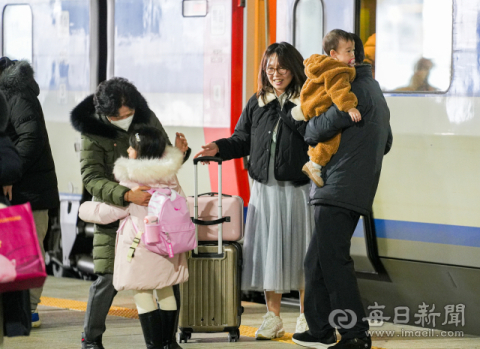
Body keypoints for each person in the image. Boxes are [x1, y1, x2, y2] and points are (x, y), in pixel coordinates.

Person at [194, 42, 314, 339]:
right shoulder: (258, 102)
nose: (276, 74)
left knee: (303, 251)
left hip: (297, 188)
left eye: (282, 67)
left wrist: (293, 110)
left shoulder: (307, 101)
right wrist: (219, 148)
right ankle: (273, 318)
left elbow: (316, 137)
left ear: (294, 68)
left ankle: (307, 315)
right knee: (268, 250)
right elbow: (242, 139)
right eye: (270, 68)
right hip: (264, 189)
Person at [70, 77, 190, 349]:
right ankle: (91, 338)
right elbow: (91, 177)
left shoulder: (146, 116)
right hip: (118, 209)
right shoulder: (92, 130)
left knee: (165, 277)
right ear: (104, 113)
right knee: (109, 277)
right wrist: (125, 195)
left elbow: (163, 155)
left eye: (128, 114)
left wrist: (179, 153)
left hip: (154, 218)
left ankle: (168, 341)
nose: (124, 119)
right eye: (116, 117)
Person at [292, 36, 393, 349]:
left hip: (338, 186)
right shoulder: (373, 89)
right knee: (316, 262)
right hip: (349, 185)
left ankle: (355, 334)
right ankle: (320, 329)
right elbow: (387, 142)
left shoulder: (354, 91)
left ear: (346, 58)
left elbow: (315, 129)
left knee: (333, 262)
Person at [0, 57, 59, 328]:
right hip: (17, 189)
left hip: (28, 190)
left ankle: (28, 310)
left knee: (27, 251)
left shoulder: (16, 94)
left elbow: (30, 138)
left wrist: (9, 173)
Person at [291, 29, 361, 188]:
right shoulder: (338, 70)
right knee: (332, 138)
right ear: (334, 54)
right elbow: (339, 91)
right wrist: (350, 107)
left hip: (311, 102)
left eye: (353, 50)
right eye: (348, 51)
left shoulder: (322, 64)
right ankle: (314, 164)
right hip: (319, 104)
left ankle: (313, 160)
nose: (353, 55)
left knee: (320, 134)